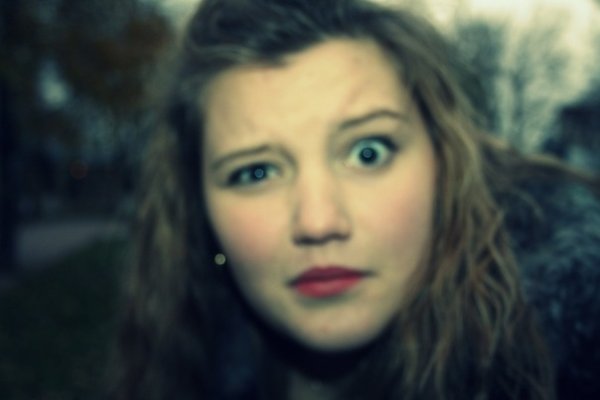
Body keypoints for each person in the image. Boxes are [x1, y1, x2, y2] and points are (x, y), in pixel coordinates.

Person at [113, 1, 600, 399]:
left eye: (369, 152)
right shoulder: (186, 368)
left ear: (445, 166)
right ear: (199, 209)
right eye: (256, 172)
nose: (318, 221)